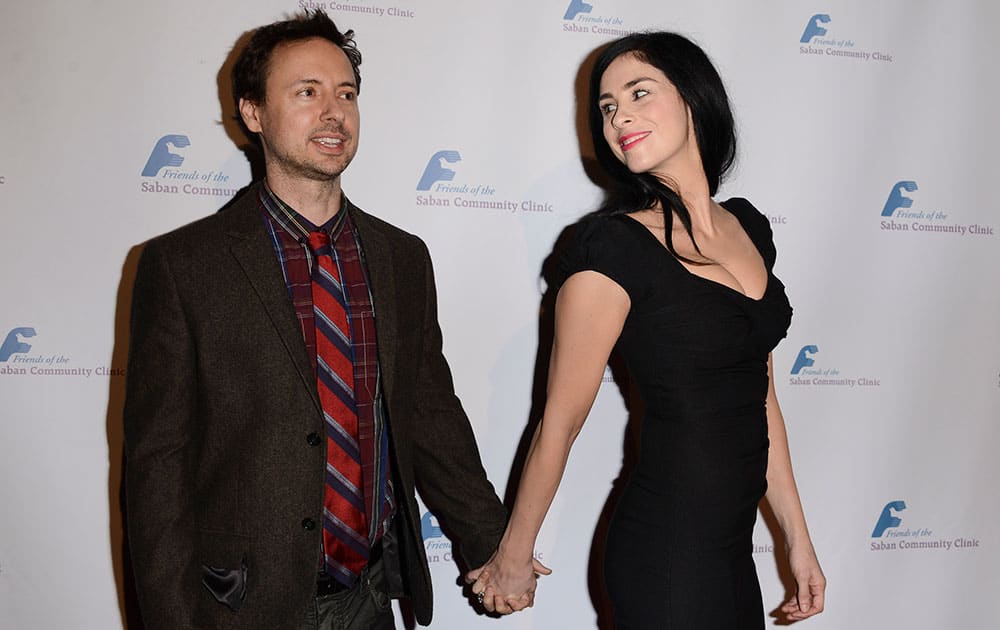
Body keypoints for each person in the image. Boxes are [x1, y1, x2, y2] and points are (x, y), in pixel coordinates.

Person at [123, 10, 521, 629]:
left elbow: (429, 416)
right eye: (306, 93)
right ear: (253, 113)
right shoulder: (183, 267)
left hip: (368, 599)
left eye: (346, 94)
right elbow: (157, 473)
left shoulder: (400, 258)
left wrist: (496, 547)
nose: (333, 112)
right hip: (239, 607)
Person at [467, 32, 826, 628]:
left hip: (733, 555)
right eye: (607, 107)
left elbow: (760, 400)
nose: (619, 118)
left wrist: (798, 540)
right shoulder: (612, 248)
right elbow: (561, 419)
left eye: (639, 94)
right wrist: (513, 553)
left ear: (693, 98)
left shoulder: (749, 229)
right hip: (665, 551)